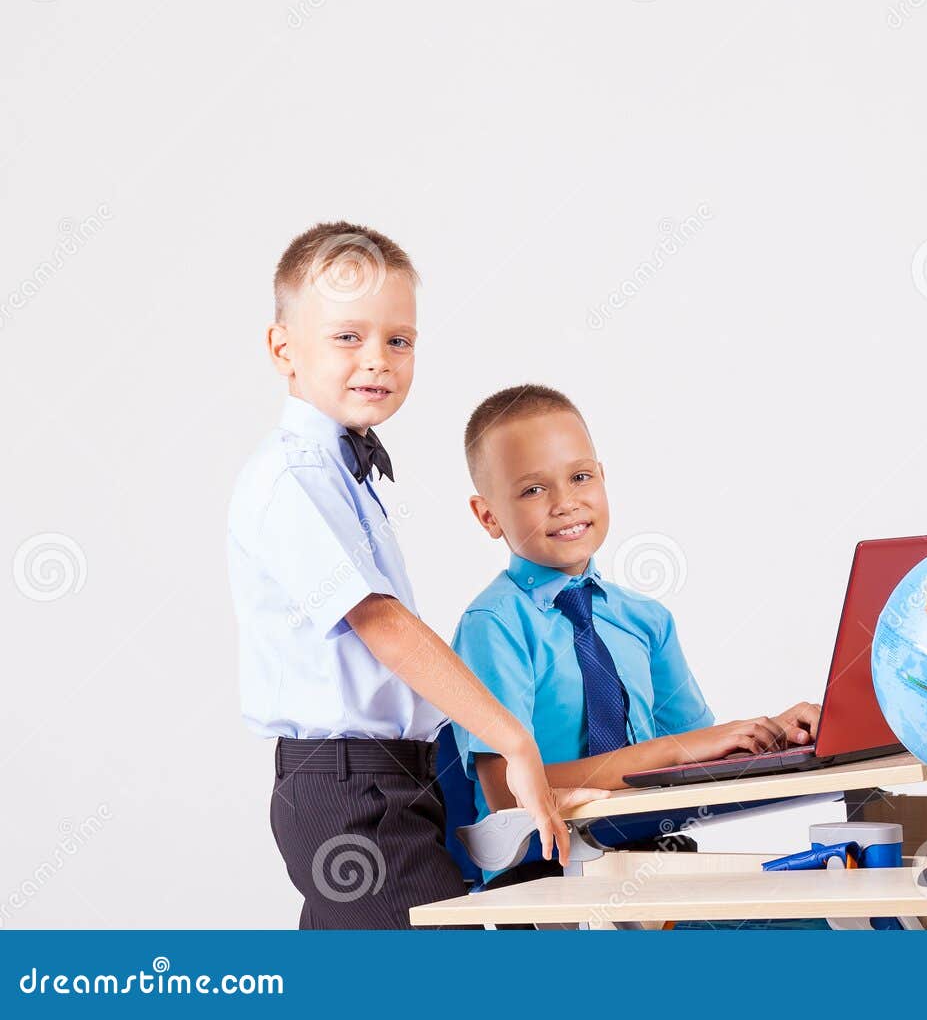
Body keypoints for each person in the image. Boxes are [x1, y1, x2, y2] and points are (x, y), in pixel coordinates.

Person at [226, 223, 599, 928]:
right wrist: (513, 739)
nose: (378, 360)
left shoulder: (342, 470)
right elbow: (382, 624)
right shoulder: (294, 476)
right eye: (347, 337)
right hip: (347, 783)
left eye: (399, 340)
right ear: (283, 348)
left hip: (390, 774)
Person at [451, 383, 819, 883]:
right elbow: (507, 794)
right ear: (487, 515)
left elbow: (696, 749)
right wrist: (670, 753)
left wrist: (773, 732)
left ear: (602, 478)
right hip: (545, 870)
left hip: (649, 858)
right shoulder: (494, 626)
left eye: (579, 477)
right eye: (533, 489)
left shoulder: (645, 619)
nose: (565, 503)